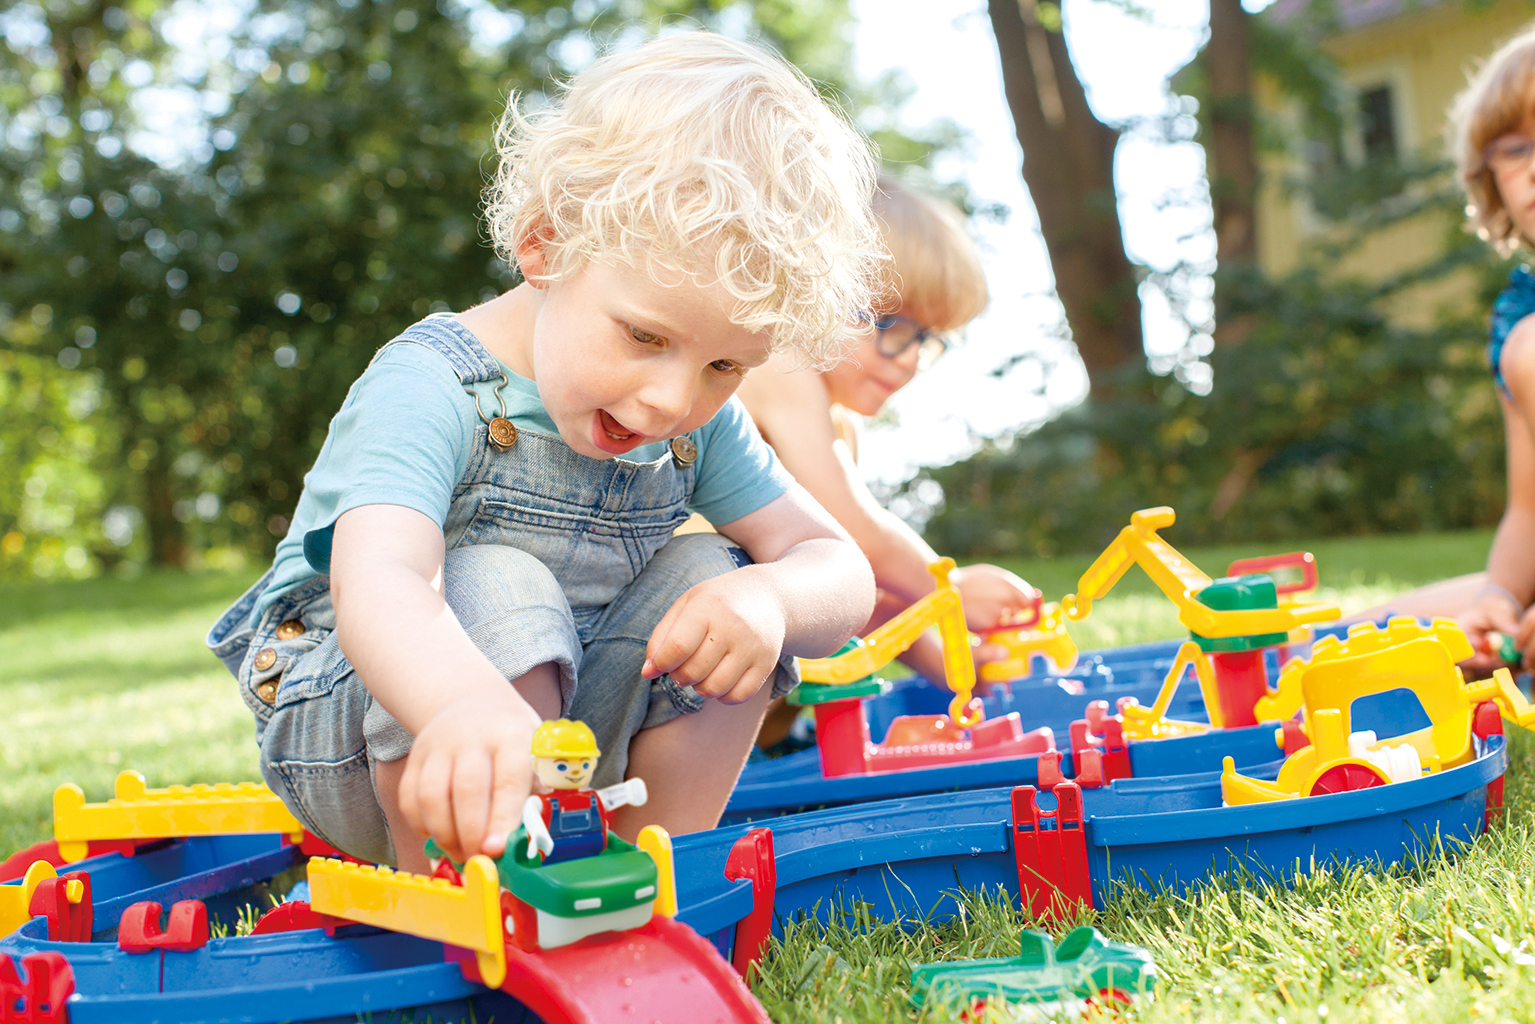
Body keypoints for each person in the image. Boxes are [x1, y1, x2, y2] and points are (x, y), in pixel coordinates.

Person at [206, 32, 884, 873]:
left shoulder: (693, 421)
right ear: (545, 246)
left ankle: (656, 870)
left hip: (570, 735)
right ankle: (467, 888)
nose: (673, 399)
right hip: (376, 723)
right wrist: (458, 703)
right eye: (644, 335)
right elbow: (379, 579)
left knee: (722, 574)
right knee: (493, 575)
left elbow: (838, 566)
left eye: (722, 365)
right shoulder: (431, 384)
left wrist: (774, 600)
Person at [734, 178, 1037, 744]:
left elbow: (862, 589)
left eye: (927, 337)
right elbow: (856, 536)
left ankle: (773, 742)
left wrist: (958, 665)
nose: (911, 360)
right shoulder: (779, 365)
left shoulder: (839, 423)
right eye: (889, 324)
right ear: (811, 290)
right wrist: (949, 588)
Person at [1366, 28, 1535, 675]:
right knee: (1367, 641)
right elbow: (1527, 508)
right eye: (1515, 149)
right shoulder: (1518, 318)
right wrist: (1498, 596)